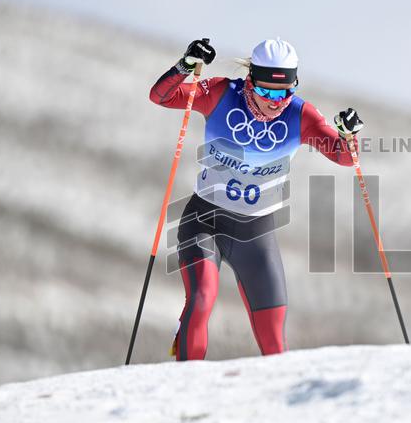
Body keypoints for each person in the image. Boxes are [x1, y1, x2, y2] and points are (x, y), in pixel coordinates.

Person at [149, 37, 364, 361]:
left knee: (274, 339)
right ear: (251, 80)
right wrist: (185, 65)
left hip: (256, 235)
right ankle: (186, 392)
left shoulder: (300, 116)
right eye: (266, 92)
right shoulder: (222, 94)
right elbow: (161, 97)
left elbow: (346, 158)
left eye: (283, 93)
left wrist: (349, 135)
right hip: (204, 222)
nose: (274, 102)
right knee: (202, 298)